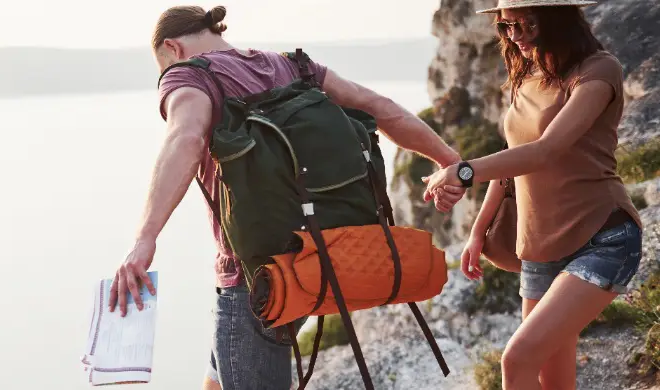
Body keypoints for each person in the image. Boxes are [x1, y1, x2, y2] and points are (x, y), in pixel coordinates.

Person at [104, 5, 464, 390]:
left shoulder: (187, 75)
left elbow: (185, 138)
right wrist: (451, 162)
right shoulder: (293, 67)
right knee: (219, 376)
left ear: (172, 48)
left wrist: (144, 240)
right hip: (319, 257)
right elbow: (381, 108)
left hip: (255, 278)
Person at [422, 1, 644, 389]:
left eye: (527, 24)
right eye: (508, 26)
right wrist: (478, 230)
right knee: (552, 381)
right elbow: (515, 159)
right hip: (540, 248)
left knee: (517, 359)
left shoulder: (598, 70)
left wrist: (464, 170)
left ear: (558, 20)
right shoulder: (526, 77)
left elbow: (547, 150)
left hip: (603, 238)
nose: (516, 36)